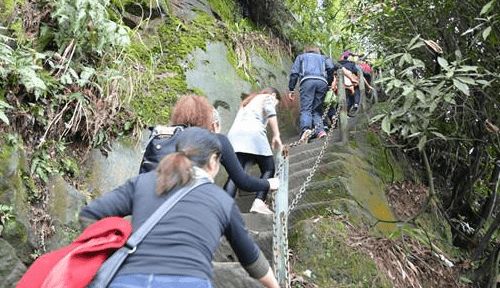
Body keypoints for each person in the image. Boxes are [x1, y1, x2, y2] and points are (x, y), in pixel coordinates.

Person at [79, 127, 280, 288]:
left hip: (127, 280)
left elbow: (90, 215)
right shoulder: (222, 200)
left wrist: (122, 248)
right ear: (212, 161)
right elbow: (251, 258)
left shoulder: (142, 183)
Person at [140, 95, 280, 197]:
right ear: (205, 116)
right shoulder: (214, 139)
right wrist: (268, 184)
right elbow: (243, 181)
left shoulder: (159, 136)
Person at [224, 87, 283, 215]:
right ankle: (259, 201)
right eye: (277, 102)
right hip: (252, 133)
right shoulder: (268, 97)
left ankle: (223, 208)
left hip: (234, 136)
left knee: (235, 174)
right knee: (268, 168)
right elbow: (271, 112)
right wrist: (276, 135)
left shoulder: (247, 102)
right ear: (273, 95)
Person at [287, 46, 335, 143]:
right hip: (322, 82)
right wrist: (329, 83)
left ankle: (306, 130)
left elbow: (294, 73)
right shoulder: (324, 58)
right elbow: (331, 68)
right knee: (317, 109)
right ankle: (321, 131)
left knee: (306, 109)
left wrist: (291, 89)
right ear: (317, 51)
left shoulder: (301, 57)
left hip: (307, 81)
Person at [338, 50, 362, 117]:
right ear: (348, 57)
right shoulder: (351, 64)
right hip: (350, 84)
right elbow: (357, 71)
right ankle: (356, 103)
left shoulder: (338, 64)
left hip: (340, 85)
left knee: (346, 98)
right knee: (355, 91)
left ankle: (343, 114)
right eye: (351, 56)